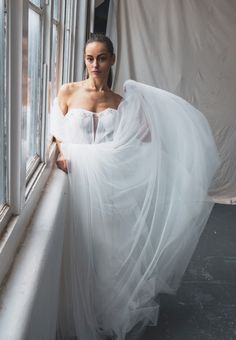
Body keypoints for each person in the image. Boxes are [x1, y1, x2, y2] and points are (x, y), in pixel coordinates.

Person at [51, 33, 220, 340]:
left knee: (107, 256)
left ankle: (104, 314)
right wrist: (63, 150)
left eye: (102, 57)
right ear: (84, 60)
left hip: (110, 189)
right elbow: (57, 133)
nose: (95, 65)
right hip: (77, 188)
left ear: (112, 59)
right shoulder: (67, 92)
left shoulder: (121, 102)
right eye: (90, 58)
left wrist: (107, 152)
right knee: (81, 251)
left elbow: (138, 143)